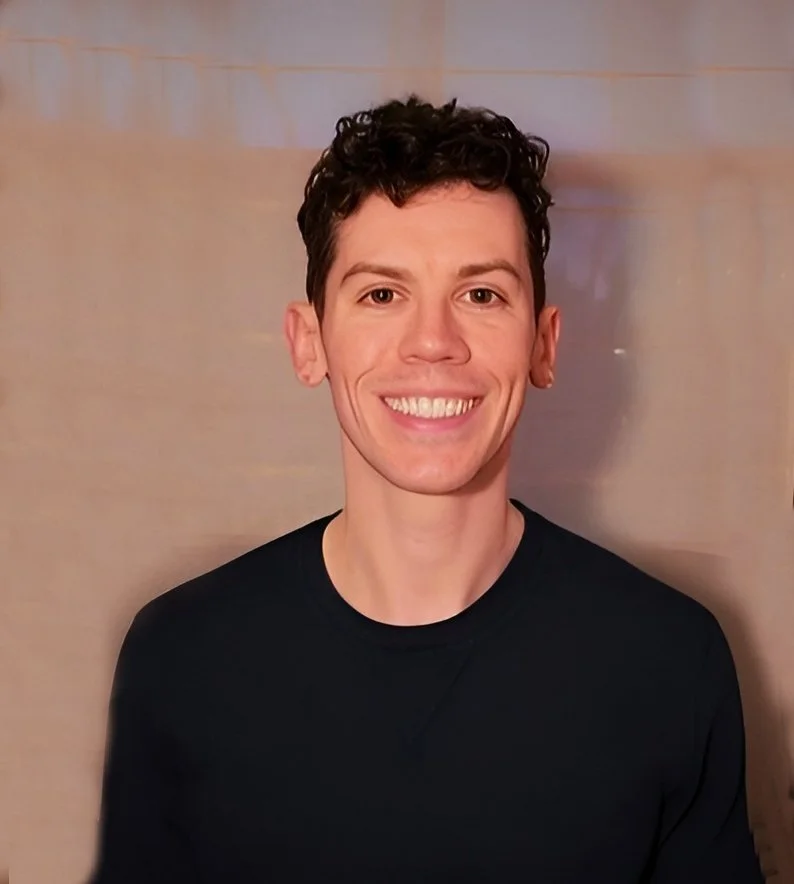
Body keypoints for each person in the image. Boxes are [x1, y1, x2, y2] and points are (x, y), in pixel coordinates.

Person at [89, 96, 763, 883]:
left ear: (543, 346)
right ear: (309, 344)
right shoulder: (182, 658)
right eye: (382, 294)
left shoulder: (671, 661)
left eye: (481, 295)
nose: (434, 343)